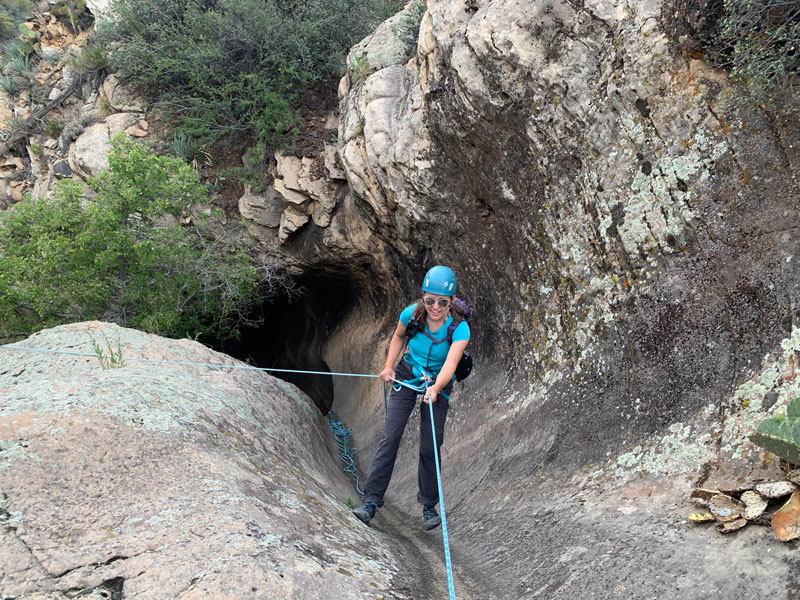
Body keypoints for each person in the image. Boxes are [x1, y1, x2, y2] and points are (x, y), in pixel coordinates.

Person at [353, 265, 470, 530]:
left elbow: (451, 365)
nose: (435, 307)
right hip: (408, 373)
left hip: (439, 382)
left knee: (430, 444)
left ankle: (429, 506)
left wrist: (436, 387)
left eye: (442, 302)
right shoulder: (412, 314)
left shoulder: (460, 329)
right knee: (391, 436)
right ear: (423, 297)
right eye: (430, 300)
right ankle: (370, 501)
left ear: (452, 301)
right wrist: (388, 366)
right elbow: (397, 336)